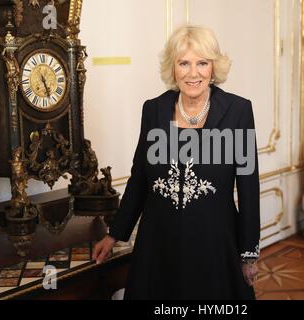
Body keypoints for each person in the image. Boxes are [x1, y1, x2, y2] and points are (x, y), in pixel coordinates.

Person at [93, 25, 260, 300]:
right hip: (159, 244)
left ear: (213, 67)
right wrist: (114, 234)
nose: (193, 73)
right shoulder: (154, 109)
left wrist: (249, 253)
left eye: (202, 63)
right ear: (173, 68)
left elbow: (249, 187)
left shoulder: (238, 111)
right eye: (184, 63)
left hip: (215, 244)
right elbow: (139, 180)